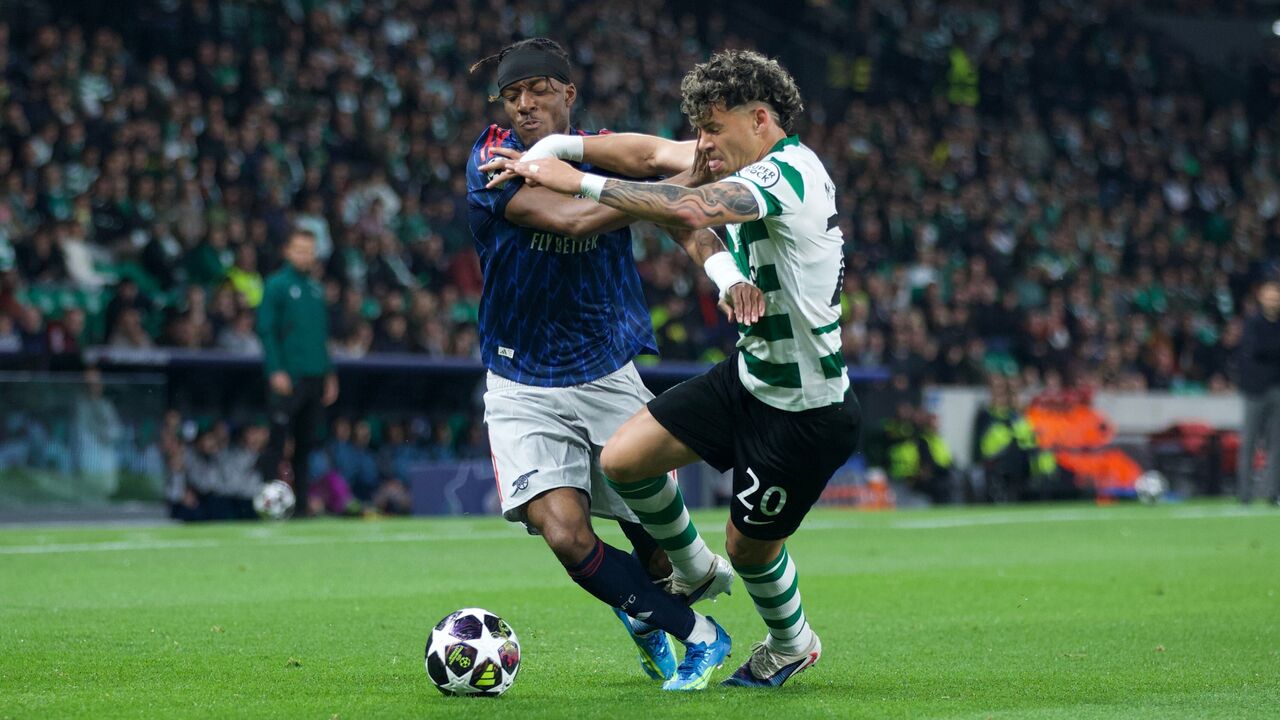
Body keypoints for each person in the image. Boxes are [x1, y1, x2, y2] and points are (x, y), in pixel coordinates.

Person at [494, 49, 861, 689]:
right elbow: (652, 157)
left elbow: (687, 208)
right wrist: (727, 275)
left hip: (807, 408)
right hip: (750, 377)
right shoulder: (751, 162)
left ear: (761, 117)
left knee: (750, 550)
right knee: (626, 458)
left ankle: (790, 641)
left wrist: (569, 175)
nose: (703, 145)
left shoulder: (788, 175)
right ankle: (692, 567)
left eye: (714, 129)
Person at [465, 38, 736, 690]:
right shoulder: (492, 160)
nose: (524, 104)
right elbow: (571, 219)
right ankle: (698, 636)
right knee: (563, 533)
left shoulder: (598, 150)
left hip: (604, 370)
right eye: (512, 94)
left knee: (657, 554)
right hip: (520, 376)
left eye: (537, 89)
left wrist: (700, 170)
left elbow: (654, 156)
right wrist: (675, 187)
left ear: (568, 93)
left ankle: (650, 610)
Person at [257, 228, 338, 513]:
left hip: (316, 375)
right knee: (278, 441)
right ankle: (267, 502)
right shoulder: (276, 285)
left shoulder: (317, 289)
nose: (306, 256)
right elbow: (267, 330)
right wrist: (275, 370)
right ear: (287, 252)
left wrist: (329, 373)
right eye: (300, 250)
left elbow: (321, 335)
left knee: (306, 446)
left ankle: (301, 507)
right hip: (289, 376)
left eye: (310, 250)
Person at [1237, 279, 1280, 505]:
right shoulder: (1252, 323)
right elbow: (1254, 350)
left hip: (1277, 389)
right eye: (1270, 295)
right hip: (1255, 390)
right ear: (1261, 298)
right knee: (1249, 443)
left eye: (1276, 295)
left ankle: (1274, 493)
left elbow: (1262, 350)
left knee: (1277, 444)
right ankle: (1245, 494)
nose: (1273, 299)